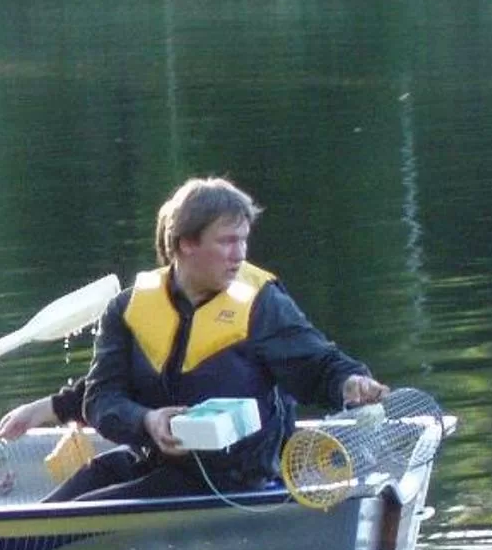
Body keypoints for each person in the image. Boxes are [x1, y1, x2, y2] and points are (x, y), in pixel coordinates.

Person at [49, 176, 387, 503]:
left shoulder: (262, 304)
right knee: (56, 509)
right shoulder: (125, 309)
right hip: (155, 464)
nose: (239, 254)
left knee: (84, 512)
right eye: (226, 241)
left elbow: (317, 365)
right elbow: (101, 400)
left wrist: (350, 382)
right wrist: (147, 422)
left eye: (243, 239)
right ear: (186, 243)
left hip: (235, 484)